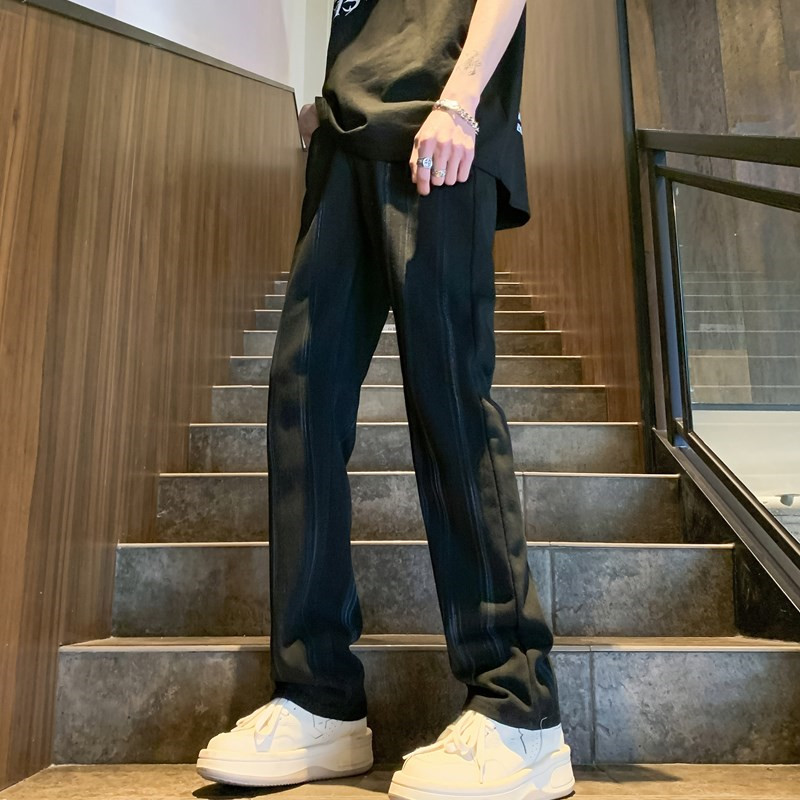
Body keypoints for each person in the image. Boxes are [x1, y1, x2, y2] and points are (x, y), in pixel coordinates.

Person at [196, 1, 576, 798]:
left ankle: (518, 707)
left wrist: (462, 100)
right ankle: (319, 695)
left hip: (440, 123)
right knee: (301, 393)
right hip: (346, 133)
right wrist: (328, 97)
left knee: (448, 397)